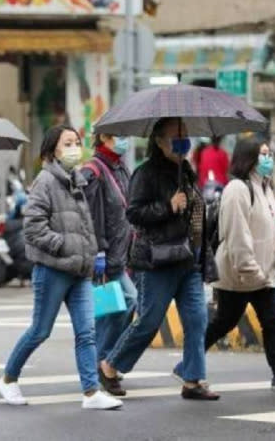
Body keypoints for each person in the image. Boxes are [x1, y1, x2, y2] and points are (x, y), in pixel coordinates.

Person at [0, 126, 123, 410]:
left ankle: (91, 393)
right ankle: (8, 378)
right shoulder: (45, 182)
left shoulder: (76, 180)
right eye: (68, 143)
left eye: (77, 142)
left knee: (86, 332)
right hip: (52, 270)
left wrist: (92, 254)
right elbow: (33, 228)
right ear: (53, 149)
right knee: (40, 331)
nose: (75, 147)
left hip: (79, 272)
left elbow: (85, 227)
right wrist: (64, 245)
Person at [99, 117, 220, 401]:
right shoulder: (146, 173)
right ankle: (110, 365)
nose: (183, 139)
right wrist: (168, 206)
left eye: (185, 133)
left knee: (197, 319)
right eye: (176, 134)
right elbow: (135, 214)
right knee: (149, 321)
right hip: (157, 261)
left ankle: (192, 380)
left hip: (188, 260)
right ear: (159, 141)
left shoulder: (186, 170)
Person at [186, 140, 275, 392]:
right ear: (249, 157)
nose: (269, 159)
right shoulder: (237, 189)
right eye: (263, 154)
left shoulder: (264, 188)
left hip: (263, 273)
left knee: (272, 322)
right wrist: (249, 269)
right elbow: (237, 236)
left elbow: (273, 228)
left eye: (268, 154)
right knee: (224, 322)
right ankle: (189, 361)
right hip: (240, 274)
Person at [80, 132, 137, 397]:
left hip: (121, 255)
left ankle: (104, 363)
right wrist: (99, 253)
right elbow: (93, 217)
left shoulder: (121, 168)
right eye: (118, 134)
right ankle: (104, 363)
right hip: (104, 257)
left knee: (116, 308)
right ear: (103, 137)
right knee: (121, 303)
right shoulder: (93, 171)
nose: (124, 139)